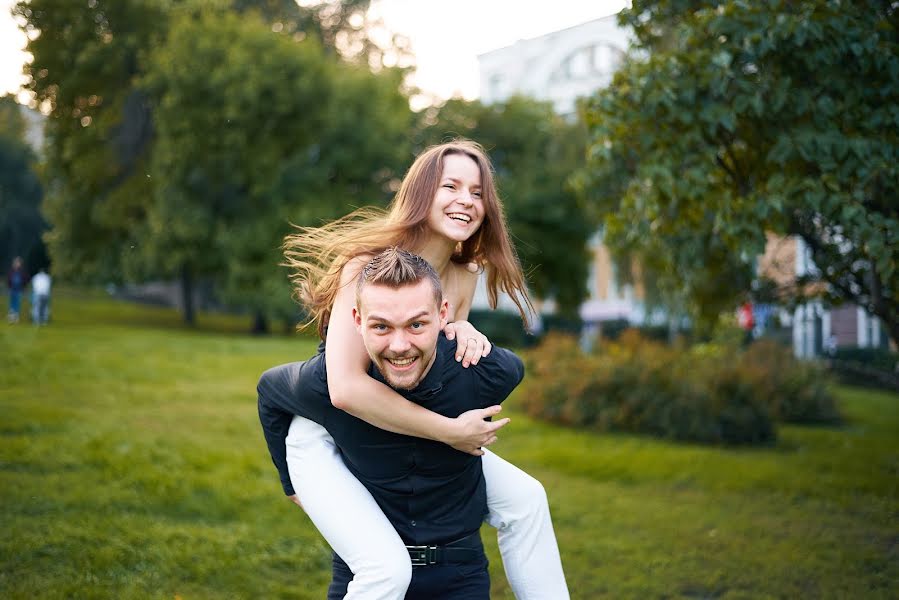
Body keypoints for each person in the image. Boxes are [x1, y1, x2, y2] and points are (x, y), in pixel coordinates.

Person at [271, 140, 568, 598]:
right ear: (420, 194)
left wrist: (467, 332)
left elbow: (439, 370)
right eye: (450, 186)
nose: (466, 200)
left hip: (400, 428)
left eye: (477, 192)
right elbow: (346, 389)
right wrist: (450, 432)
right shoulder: (365, 269)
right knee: (385, 571)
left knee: (527, 501)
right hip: (331, 432)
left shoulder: (463, 274)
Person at [260, 248, 528, 598]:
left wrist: (468, 335)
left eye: (416, 324)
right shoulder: (328, 385)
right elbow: (269, 390)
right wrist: (291, 483)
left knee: (528, 500)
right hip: (365, 579)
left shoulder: (481, 371)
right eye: (381, 326)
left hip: (460, 577)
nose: (400, 346)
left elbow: (513, 370)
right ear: (357, 321)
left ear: (442, 314)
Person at [7, 257, 29, 324]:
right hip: (12, 290)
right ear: (14, 263)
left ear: (20, 264)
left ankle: (16, 317)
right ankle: (11, 317)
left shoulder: (22, 271)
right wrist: (9, 287)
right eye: (16, 262)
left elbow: (26, 279)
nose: (17, 264)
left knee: (17, 303)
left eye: (18, 263)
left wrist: (24, 287)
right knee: (12, 303)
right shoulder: (11, 271)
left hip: (19, 290)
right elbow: (8, 280)